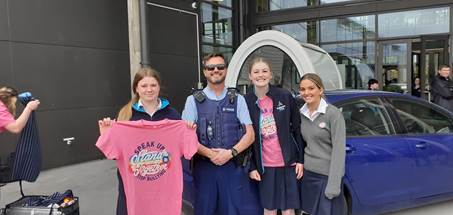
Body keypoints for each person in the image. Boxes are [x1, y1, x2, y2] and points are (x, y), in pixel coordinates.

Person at [98, 68, 181, 215]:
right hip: (133, 188)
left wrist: (188, 128)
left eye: (153, 85)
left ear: (159, 87)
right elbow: (114, 155)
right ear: (136, 88)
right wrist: (105, 135)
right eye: (144, 85)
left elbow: (180, 150)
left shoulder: (173, 116)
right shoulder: (126, 116)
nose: (149, 89)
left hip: (163, 189)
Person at [182, 53, 257, 215]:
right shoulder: (192, 101)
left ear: (226, 70)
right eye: (211, 67)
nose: (216, 70)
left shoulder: (238, 99)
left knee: (232, 211)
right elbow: (185, 138)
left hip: (232, 167)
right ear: (205, 72)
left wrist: (230, 153)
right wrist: (211, 154)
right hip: (204, 168)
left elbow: (250, 135)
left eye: (220, 67)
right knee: (204, 210)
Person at [244, 58, 305, 215]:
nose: (261, 75)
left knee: (288, 210)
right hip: (265, 166)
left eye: (265, 71)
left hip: (288, 163)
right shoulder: (246, 101)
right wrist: (252, 167)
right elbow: (244, 137)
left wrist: (300, 160)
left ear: (270, 74)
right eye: (256, 72)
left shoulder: (284, 96)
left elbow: (297, 129)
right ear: (250, 76)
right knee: (269, 209)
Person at [298, 73, 346, 215]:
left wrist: (333, 186)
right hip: (308, 177)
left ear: (321, 90)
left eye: (311, 88)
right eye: (302, 89)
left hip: (327, 178)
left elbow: (339, 151)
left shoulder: (333, 114)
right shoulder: (301, 114)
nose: (306, 93)